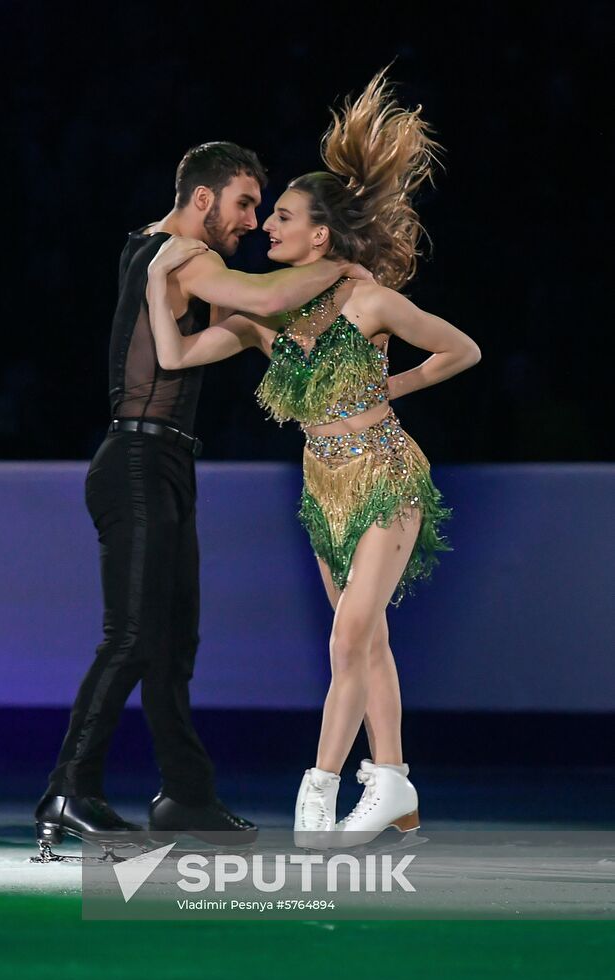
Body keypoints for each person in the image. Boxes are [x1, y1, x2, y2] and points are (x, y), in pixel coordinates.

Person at [145, 72, 482, 849]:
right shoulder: (272, 315)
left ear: (320, 237)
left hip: (386, 476)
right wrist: (164, 274)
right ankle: (393, 781)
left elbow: (460, 349)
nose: (266, 226)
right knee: (365, 639)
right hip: (320, 485)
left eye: (283, 218)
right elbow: (176, 350)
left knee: (347, 637)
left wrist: (388, 386)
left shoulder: (367, 302)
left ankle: (319, 791)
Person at [34, 141, 369, 857]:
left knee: (171, 643)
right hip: (135, 459)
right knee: (130, 635)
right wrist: (337, 263)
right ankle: (68, 788)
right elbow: (267, 298)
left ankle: (184, 796)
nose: (252, 220)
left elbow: (263, 325)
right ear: (202, 199)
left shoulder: (167, 253)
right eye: (245, 203)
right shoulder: (183, 253)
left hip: (163, 460)